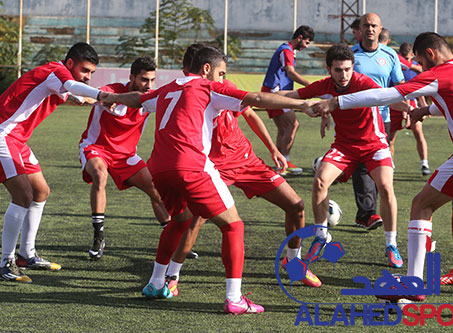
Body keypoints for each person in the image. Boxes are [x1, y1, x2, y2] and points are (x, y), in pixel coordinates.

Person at [100, 46, 316, 314]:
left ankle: (157, 282)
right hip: (196, 166)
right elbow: (259, 98)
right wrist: (302, 104)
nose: (223, 78)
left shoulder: (168, 89)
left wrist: (108, 96)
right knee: (232, 226)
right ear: (206, 69)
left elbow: (137, 99)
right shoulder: (207, 87)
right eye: (221, 72)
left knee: (179, 221)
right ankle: (232, 298)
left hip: (160, 167)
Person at [314, 32, 453, 315]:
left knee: (421, 204)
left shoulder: (440, 72)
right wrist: (425, 110)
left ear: (431, 54)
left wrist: (336, 102)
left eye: (422, 63)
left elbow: (388, 94)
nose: (423, 69)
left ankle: (412, 284)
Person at [160, 45, 321, 297]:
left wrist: (273, 150)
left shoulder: (223, 87)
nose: (223, 78)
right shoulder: (191, 94)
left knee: (296, 205)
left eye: (223, 74)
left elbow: (251, 113)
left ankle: (293, 261)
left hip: (247, 161)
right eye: (221, 73)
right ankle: (171, 275)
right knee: (195, 221)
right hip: (214, 165)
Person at [280, 43, 402, 268]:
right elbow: (291, 95)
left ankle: (391, 244)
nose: (344, 75)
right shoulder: (325, 86)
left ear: (353, 68)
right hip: (345, 146)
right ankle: (321, 236)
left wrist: (412, 109)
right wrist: (252, 98)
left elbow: (389, 97)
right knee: (319, 181)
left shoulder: (364, 83)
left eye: (347, 69)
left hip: (375, 145)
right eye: (338, 70)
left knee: (385, 187)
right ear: (329, 70)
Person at [0, 42, 105, 283]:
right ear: (70, 64)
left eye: (91, 73)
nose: (88, 77)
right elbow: (72, 87)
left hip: (17, 140)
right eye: (85, 71)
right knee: (23, 196)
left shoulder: (58, 78)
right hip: (3, 134)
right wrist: (103, 95)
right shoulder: (55, 72)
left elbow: (78, 97)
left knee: (41, 191)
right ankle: (6, 262)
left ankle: (27, 254)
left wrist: (106, 100)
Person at [79, 56, 172, 259]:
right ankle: (98, 237)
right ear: (132, 77)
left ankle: (174, 237)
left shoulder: (150, 98)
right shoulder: (112, 90)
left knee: (156, 191)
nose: (148, 85)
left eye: (152, 80)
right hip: (96, 148)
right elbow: (92, 96)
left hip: (126, 155)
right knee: (99, 174)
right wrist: (97, 99)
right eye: (143, 80)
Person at [350, 13, 404, 230]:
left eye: (374, 26)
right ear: (360, 29)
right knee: (362, 165)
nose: (370, 29)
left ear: (380, 29)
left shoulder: (390, 55)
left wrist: (407, 109)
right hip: (358, 119)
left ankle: (365, 213)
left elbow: (399, 85)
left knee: (378, 164)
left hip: (384, 118)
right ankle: (368, 213)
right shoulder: (350, 54)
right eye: (366, 25)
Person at [261, 25, 315, 175]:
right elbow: (290, 73)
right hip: (276, 94)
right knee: (293, 124)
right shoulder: (287, 51)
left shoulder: (286, 50)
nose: (307, 46)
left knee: (284, 128)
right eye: (307, 42)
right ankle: (285, 162)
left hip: (273, 93)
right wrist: (310, 86)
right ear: (300, 38)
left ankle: (281, 164)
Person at [388, 42, 431, 176]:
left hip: (410, 105)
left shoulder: (417, 68)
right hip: (396, 104)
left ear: (413, 55)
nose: (407, 62)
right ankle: (391, 165)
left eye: (408, 59)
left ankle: (424, 163)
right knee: (390, 138)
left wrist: (423, 105)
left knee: (418, 133)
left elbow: (419, 90)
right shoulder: (394, 66)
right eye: (405, 58)